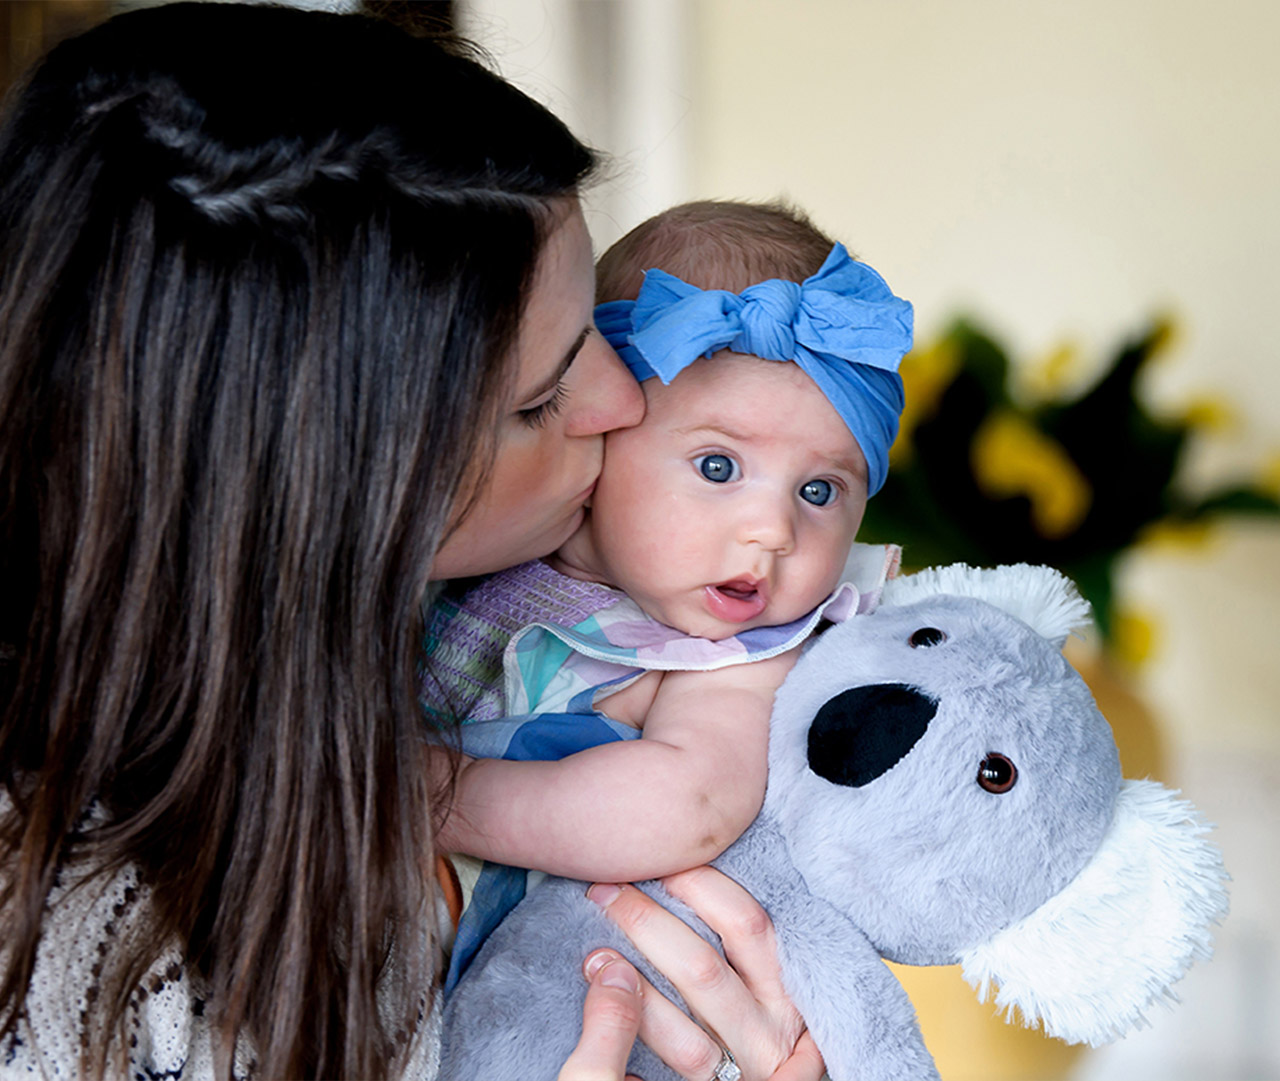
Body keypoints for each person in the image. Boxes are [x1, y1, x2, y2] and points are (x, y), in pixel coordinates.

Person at [0, 6, 821, 1079]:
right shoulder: (66, 944)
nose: (621, 402)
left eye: (598, 335)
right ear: (319, 485)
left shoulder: (554, 637)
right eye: (538, 400)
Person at [423, 200, 912, 988]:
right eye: (718, 467)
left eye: (819, 490)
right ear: (603, 426)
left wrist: (437, 794)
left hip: (533, 978)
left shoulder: (737, 656)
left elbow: (687, 805)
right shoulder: (497, 545)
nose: (773, 530)